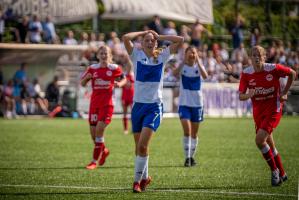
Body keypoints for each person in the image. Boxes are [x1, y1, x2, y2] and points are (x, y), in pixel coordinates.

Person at [122, 30, 183, 193]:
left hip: (154, 107)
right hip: (138, 108)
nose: (150, 42)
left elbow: (181, 40)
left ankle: (136, 182)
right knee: (139, 148)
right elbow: (126, 37)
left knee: (142, 146)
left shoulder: (162, 56)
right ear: (141, 43)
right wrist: (145, 32)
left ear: (156, 43)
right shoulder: (136, 55)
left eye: (152, 41)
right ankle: (145, 177)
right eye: (146, 40)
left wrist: (160, 36)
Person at [238, 45, 296, 186]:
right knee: (270, 143)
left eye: (259, 54)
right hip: (258, 112)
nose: (256, 56)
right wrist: (249, 94)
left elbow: (292, 73)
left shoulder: (273, 68)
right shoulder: (246, 73)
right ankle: (282, 173)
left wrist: (284, 92)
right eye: (254, 54)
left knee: (259, 140)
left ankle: (274, 171)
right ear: (250, 58)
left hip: (273, 110)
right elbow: (241, 96)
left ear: (264, 57)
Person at [80, 45, 127, 170]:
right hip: (94, 104)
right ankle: (104, 150)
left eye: (106, 53)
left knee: (99, 131)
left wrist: (119, 84)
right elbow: (82, 83)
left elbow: (124, 79)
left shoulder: (114, 68)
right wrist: (86, 78)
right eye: (101, 53)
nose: (103, 55)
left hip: (107, 104)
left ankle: (94, 161)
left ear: (110, 55)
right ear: (97, 55)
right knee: (93, 135)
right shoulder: (92, 68)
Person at [172, 46, 208, 167]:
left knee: (194, 133)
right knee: (187, 131)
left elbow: (205, 76)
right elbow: (174, 73)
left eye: (194, 52)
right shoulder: (183, 67)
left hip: (197, 104)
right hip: (184, 104)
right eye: (189, 52)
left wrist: (199, 61)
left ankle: (191, 157)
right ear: (185, 54)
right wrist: (183, 61)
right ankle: (187, 158)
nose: (192, 54)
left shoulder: (199, 66)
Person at [120, 54, 134, 135]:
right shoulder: (123, 76)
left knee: (133, 114)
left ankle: (133, 128)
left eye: (130, 66)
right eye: (128, 66)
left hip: (132, 96)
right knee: (124, 113)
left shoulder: (133, 75)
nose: (129, 67)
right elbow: (120, 85)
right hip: (125, 97)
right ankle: (125, 129)